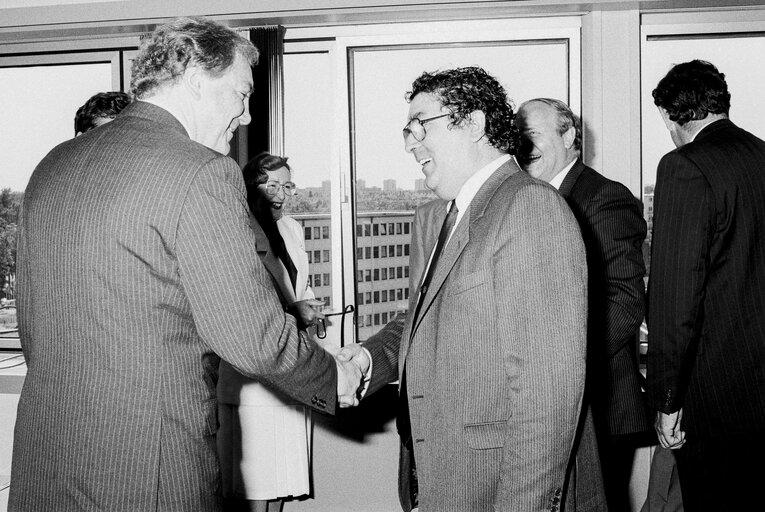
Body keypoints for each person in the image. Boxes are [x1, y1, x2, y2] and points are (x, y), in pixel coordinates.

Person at [10, 16, 362, 512]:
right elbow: (252, 337)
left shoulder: (53, 164)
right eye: (241, 95)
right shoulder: (202, 171)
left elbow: (33, 327)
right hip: (147, 468)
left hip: (47, 456)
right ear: (198, 81)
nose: (243, 116)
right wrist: (331, 376)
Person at [338, 66, 588, 511]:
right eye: (406, 130)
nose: (411, 142)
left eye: (421, 124)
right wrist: (368, 358)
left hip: (495, 491)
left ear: (473, 123)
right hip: (441, 477)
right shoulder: (443, 217)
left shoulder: (529, 206)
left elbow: (546, 395)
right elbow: (426, 320)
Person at [515, 98, 651, 512]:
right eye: (517, 138)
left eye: (533, 134)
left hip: (600, 407)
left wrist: (554, 366)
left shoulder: (603, 197)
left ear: (569, 135)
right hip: (544, 408)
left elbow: (624, 303)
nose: (524, 147)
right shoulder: (526, 200)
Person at [646, 59, 765, 511]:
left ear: (670, 115)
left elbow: (675, 299)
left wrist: (667, 397)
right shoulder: (761, 158)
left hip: (717, 400)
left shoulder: (685, 166)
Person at [218, 152, 328, 512]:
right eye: (271, 184)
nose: (280, 193)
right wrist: (291, 311)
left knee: (281, 481)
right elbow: (241, 301)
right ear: (252, 187)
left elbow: (299, 287)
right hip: (255, 371)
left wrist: (310, 307)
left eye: (286, 184)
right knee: (254, 483)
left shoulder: (292, 229)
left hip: (290, 365)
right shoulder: (236, 232)